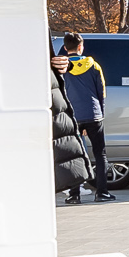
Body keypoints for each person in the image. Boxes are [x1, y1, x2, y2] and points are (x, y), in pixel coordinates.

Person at [53, 32, 111, 199]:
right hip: (94, 115)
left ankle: (74, 195)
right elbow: (102, 92)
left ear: (65, 47)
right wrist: (100, 114)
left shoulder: (59, 68)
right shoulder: (94, 65)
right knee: (100, 154)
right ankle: (102, 192)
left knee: (73, 155)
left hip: (72, 117)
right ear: (81, 47)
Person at [48, 71, 94, 206]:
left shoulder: (61, 66)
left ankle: (74, 192)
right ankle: (77, 188)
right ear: (81, 48)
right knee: (75, 151)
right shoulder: (91, 66)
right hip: (80, 116)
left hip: (62, 116)